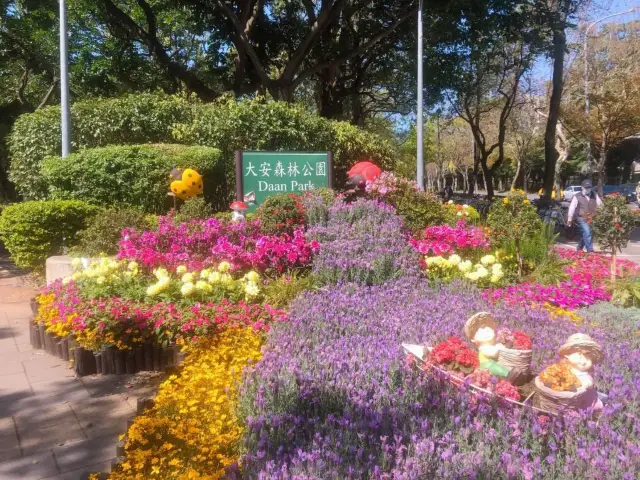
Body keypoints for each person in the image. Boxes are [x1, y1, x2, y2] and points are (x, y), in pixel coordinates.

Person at [567, 179, 602, 253]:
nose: (588, 189)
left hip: (592, 218)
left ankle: (579, 248)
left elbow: (600, 205)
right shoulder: (577, 196)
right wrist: (569, 219)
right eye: (586, 187)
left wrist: (603, 213)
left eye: (589, 187)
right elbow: (572, 208)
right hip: (581, 218)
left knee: (586, 234)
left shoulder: (594, 195)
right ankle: (590, 250)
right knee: (587, 232)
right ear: (582, 187)